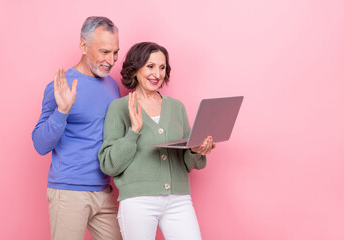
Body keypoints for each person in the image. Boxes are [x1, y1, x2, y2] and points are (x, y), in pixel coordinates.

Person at [98, 42, 216, 240]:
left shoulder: (177, 107)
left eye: (162, 68)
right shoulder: (118, 108)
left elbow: (187, 162)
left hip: (178, 199)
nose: (157, 74)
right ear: (135, 69)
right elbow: (109, 165)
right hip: (138, 201)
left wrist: (196, 151)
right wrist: (134, 132)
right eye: (150, 66)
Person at [32, 16, 122, 240]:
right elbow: (40, 144)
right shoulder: (60, 86)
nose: (111, 60)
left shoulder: (112, 85)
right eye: (104, 52)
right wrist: (62, 111)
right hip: (69, 190)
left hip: (104, 190)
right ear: (83, 46)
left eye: (115, 52)